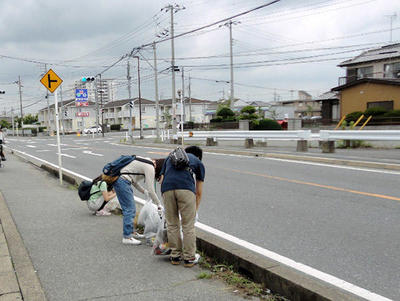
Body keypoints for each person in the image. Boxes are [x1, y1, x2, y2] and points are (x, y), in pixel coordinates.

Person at [159, 146, 205, 267]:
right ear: (199, 156)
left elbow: (162, 179)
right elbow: (199, 192)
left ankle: (175, 256)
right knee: (188, 225)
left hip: (166, 190)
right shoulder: (198, 162)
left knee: (172, 224)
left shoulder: (170, 157)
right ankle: (189, 258)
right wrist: (195, 210)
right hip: (185, 190)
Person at [103, 157, 165, 246]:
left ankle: (131, 232)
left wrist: (144, 191)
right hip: (123, 182)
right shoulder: (150, 167)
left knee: (130, 208)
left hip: (122, 181)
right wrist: (158, 204)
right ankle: (127, 237)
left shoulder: (145, 161)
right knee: (129, 209)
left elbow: (133, 180)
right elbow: (151, 189)